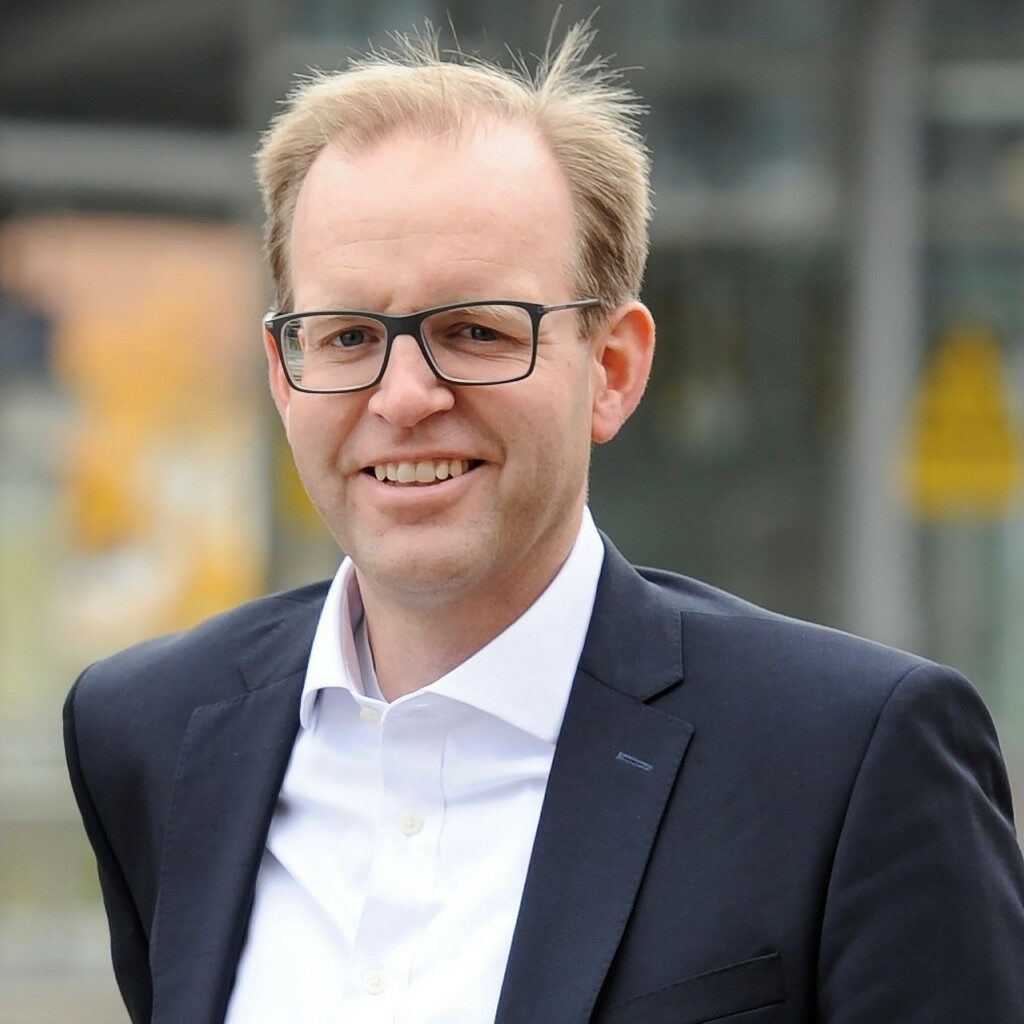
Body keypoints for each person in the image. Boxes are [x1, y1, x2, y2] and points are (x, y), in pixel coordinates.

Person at [64, 23, 1024, 1024]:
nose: (404, 396)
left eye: (474, 330)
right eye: (346, 335)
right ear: (282, 373)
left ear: (612, 368)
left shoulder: (850, 759)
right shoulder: (150, 732)